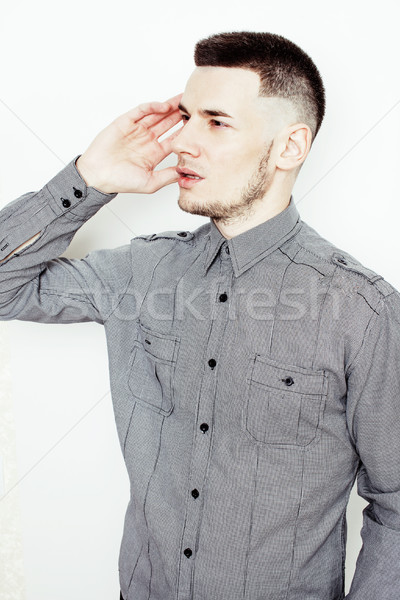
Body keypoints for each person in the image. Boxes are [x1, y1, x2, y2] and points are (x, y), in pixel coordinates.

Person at [1, 30, 399, 600]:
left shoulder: (363, 310)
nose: (182, 141)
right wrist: (87, 181)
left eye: (216, 121)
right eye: (185, 117)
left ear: (289, 147)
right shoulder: (141, 273)